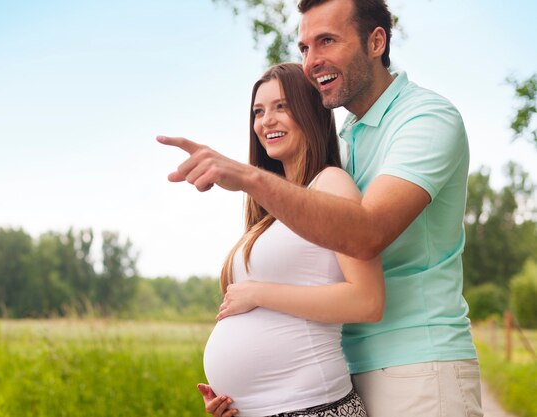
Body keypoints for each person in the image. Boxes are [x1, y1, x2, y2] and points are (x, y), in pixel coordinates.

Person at [158, 0, 483, 416]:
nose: (312, 61)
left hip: (417, 367)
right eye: (305, 47)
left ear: (376, 42)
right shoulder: (345, 142)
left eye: (326, 41)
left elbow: (367, 234)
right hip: (348, 369)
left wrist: (250, 177)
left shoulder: (425, 119)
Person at [198, 62, 383, 417]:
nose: (266, 120)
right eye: (258, 111)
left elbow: (367, 301)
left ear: (310, 112)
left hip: (313, 406)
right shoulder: (267, 215)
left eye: (281, 106)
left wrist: (258, 294)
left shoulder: (330, 183)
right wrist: (234, 401)